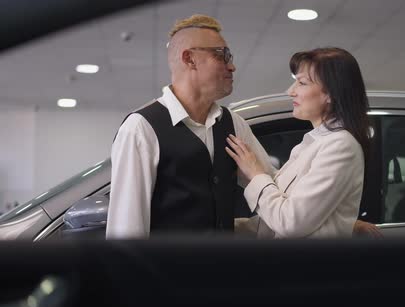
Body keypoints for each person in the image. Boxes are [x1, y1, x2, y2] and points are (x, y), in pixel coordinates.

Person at [106, 14, 273, 239]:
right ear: (189, 59)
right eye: (222, 55)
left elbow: (271, 187)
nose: (231, 66)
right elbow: (126, 232)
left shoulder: (233, 124)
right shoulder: (141, 128)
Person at [226, 47, 382, 238]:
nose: (290, 91)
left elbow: (290, 222)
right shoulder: (312, 143)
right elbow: (274, 220)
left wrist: (256, 174)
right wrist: (223, 229)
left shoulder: (341, 146)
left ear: (331, 94)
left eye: (302, 83)